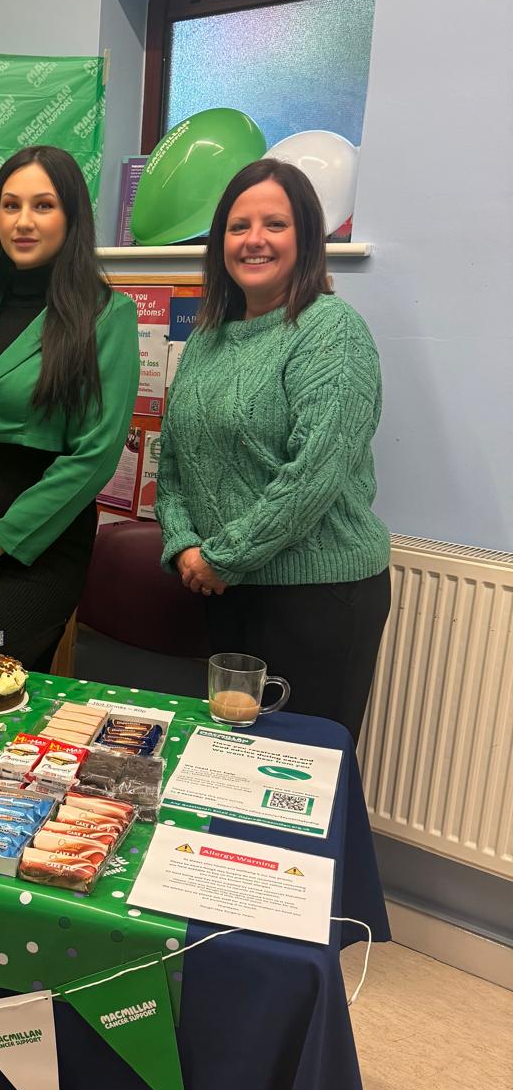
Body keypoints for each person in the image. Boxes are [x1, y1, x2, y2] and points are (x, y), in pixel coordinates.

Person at [154, 158, 391, 741]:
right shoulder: (209, 335)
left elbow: (311, 476)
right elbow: (175, 459)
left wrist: (219, 559)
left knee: (298, 778)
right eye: (238, 226)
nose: (253, 240)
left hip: (317, 598)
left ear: (307, 238)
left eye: (274, 224)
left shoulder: (330, 330)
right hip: (225, 588)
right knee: (229, 770)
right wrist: (184, 545)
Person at [0, 146, 138, 672]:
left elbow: (96, 454)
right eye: (10, 206)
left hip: (37, 547)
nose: (23, 221)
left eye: (44, 205)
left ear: (72, 217)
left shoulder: (107, 316)